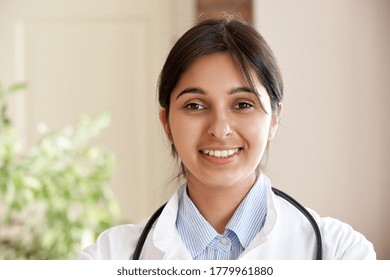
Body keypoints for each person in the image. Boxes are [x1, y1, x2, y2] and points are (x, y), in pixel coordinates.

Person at [79, 17, 376, 260]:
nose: (220, 130)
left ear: (274, 119)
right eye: (195, 105)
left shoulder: (341, 253)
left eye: (243, 105)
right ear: (166, 124)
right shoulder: (108, 258)